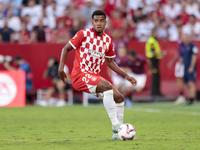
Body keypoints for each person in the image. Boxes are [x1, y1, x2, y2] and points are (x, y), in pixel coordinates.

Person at [58, 10, 137, 139]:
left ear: (105, 22)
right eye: (96, 21)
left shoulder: (107, 40)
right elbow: (65, 48)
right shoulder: (83, 34)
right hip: (80, 75)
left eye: (101, 21)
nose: (99, 23)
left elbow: (110, 62)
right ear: (92, 22)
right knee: (107, 87)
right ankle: (116, 125)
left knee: (120, 98)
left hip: (94, 77)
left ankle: (118, 134)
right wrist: (61, 68)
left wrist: (126, 75)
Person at [145, 28, 166, 97]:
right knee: (155, 76)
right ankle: (155, 92)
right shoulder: (152, 41)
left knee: (156, 76)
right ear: (153, 33)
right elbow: (153, 52)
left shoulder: (152, 40)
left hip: (154, 60)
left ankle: (156, 92)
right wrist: (161, 54)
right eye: (156, 33)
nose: (157, 34)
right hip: (153, 60)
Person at [179, 33, 198, 105]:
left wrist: (192, 66)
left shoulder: (192, 46)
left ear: (189, 38)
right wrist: (180, 67)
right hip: (185, 67)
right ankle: (189, 98)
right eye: (183, 38)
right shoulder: (183, 46)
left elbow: (194, 56)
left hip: (190, 67)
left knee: (191, 83)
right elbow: (181, 57)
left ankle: (193, 99)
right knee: (187, 83)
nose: (185, 39)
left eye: (186, 37)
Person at [168, 40, 186, 105]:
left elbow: (181, 54)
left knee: (179, 80)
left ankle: (181, 96)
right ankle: (181, 96)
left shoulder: (182, 42)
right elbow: (178, 53)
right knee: (178, 79)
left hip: (182, 63)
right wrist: (172, 61)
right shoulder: (180, 41)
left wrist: (180, 65)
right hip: (181, 63)